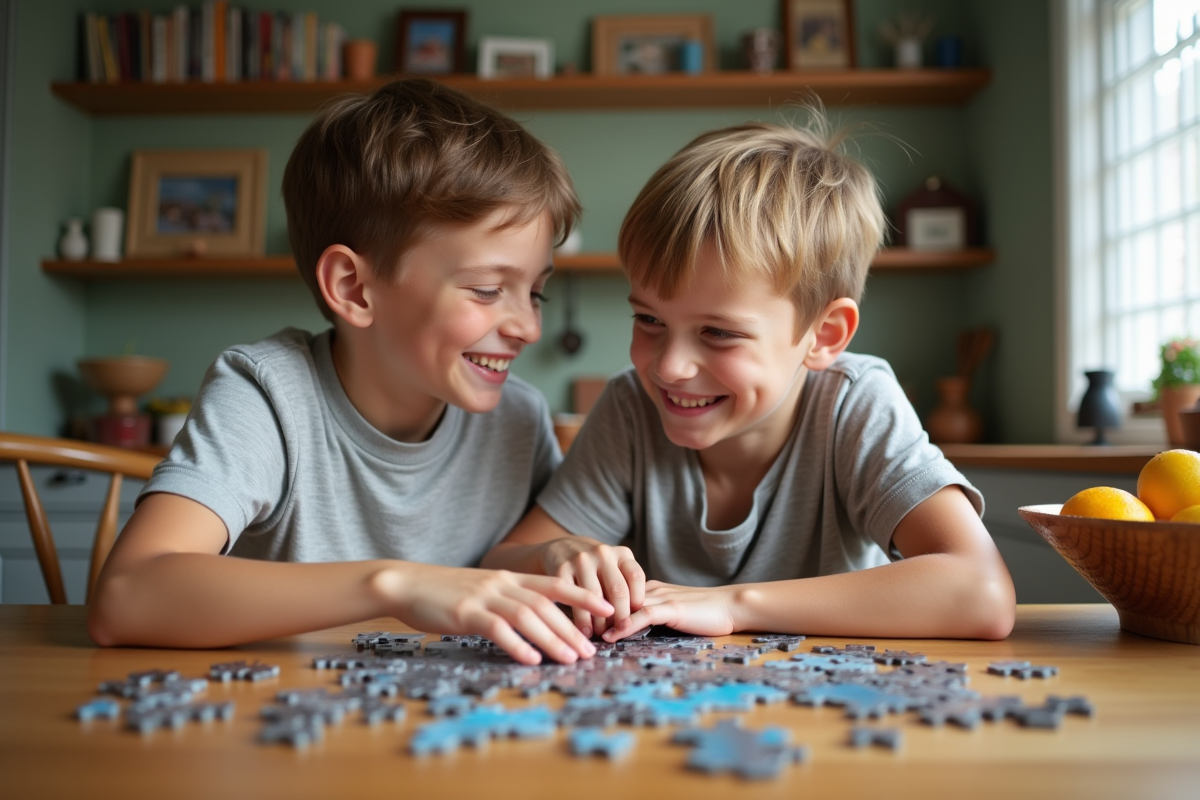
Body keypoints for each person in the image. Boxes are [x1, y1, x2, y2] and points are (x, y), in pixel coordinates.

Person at [87, 79, 613, 665]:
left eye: (535, 294)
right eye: (488, 290)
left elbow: (499, 561)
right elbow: (127, 596)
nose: (528, 328)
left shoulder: (519, 415)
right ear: (353, 288)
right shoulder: (266, 393)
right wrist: (396, 585)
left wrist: (555, 553)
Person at [483, 114, 1016, 643]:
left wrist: (733, 605)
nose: (669, 366)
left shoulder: (855, 404)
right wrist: (557, 552)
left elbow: (981, 593)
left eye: (717, 332)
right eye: (649, 320)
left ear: (824, 335)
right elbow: (499, 564)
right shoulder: (629, 407)